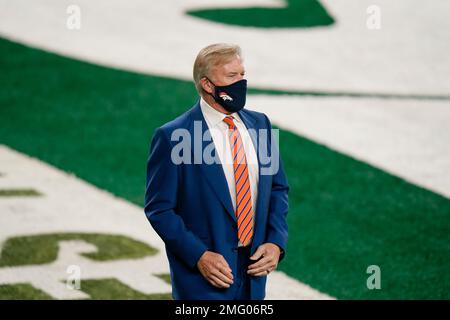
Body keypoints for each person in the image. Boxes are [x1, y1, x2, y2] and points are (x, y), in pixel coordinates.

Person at [144, 43, 289, 300]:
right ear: (208, 85)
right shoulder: (174, 136)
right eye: (232, 77)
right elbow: (160, 209)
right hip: (204, 280)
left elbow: (277, 188)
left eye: (242, 75)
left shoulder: (260, 124)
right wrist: (198, 255)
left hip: (254, 274)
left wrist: (276, 241)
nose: (241, 82)